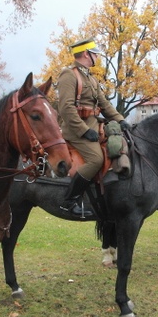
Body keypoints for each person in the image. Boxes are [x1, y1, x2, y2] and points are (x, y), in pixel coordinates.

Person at [58, 38, 131, 217]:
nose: (97, 55)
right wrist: (84, 131)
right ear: (86, 54)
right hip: (76, 130)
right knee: (96, 159)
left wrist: (121, 120)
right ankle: (69, 201)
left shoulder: (90, 78)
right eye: (95, 52)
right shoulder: (69, 75)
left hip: (94, 126)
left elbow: (105, 104)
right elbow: (66, 108)